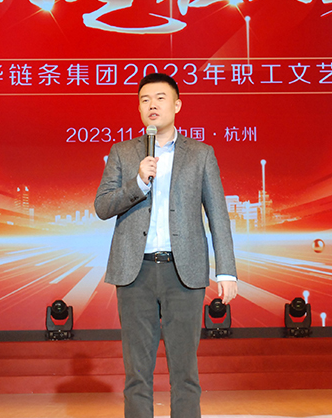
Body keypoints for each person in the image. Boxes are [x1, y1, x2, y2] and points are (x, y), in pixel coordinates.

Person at [95, 73, 237, 418]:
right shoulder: (123, 152)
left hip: (183, 272)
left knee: (185, 373)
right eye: (145, 100)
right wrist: (138, 182)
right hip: (135, 272)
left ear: (177, 105)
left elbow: (218, 214)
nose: (152, 105)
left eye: (160, 98)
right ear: (139, 109)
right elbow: (103, 206)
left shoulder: (201, 154)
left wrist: (227, 271)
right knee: (137, 374)